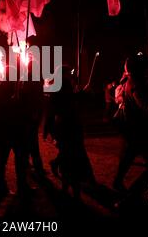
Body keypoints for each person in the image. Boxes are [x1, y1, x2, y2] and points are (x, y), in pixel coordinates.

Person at [112, 55, 148, 202]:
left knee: (128, 157)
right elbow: (147, 107)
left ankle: (120, 184)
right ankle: (133, 198)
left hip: (134, 129)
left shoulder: (131, 82)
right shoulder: (136, 84)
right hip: (140, 130)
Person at [50, 66, 95, 199]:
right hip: (69, 125)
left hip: (62, 124)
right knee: (72, 156)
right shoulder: (64, 84)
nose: (71, 74)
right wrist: (83, 93)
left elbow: (66, 100)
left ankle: (67, 183)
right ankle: (74, 186)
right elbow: (69, 101)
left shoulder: (57, 85)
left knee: (67, 154)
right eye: (68, 72)